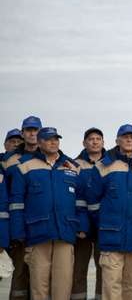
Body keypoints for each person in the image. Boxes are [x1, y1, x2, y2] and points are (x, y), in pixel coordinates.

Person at [10, 127, 88, 300]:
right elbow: (16, 203)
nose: (53, 142)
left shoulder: (73, 167)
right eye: (48, 139)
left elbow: (81, 202)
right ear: (39, 143)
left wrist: (82, 226)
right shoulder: (24, 166)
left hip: (65, 232)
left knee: (63, 284)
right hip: (37, 233)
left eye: (56, 139)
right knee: (39, 285)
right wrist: (18, 232)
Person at [87, 124, 132, 300]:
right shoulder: (103, 166)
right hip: (111, 238)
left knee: (129, 286)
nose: (129, 140)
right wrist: (105, 223)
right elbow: (92, 203)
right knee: (111, 286)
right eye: (125, 137)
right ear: (117, 140)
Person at [4, 115, 43, 300]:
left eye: (36, 130)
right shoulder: (9, 160)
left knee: (41, 274)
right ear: (23, 133)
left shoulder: (50, 158)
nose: (32, 133)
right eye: (29, 130)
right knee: (20, 272)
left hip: (41, 224)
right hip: (18, 223)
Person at [72, 127, 106, 300]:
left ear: (103, 142)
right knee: (79, 268)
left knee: (104, 268)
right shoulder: (74, 165)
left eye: (98, 139)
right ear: (84, 143)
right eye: (91, 139)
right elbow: (75, 199)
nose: (94, 141)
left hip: (104, 225)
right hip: (81, 227)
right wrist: (81, 225)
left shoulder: (111, 163)